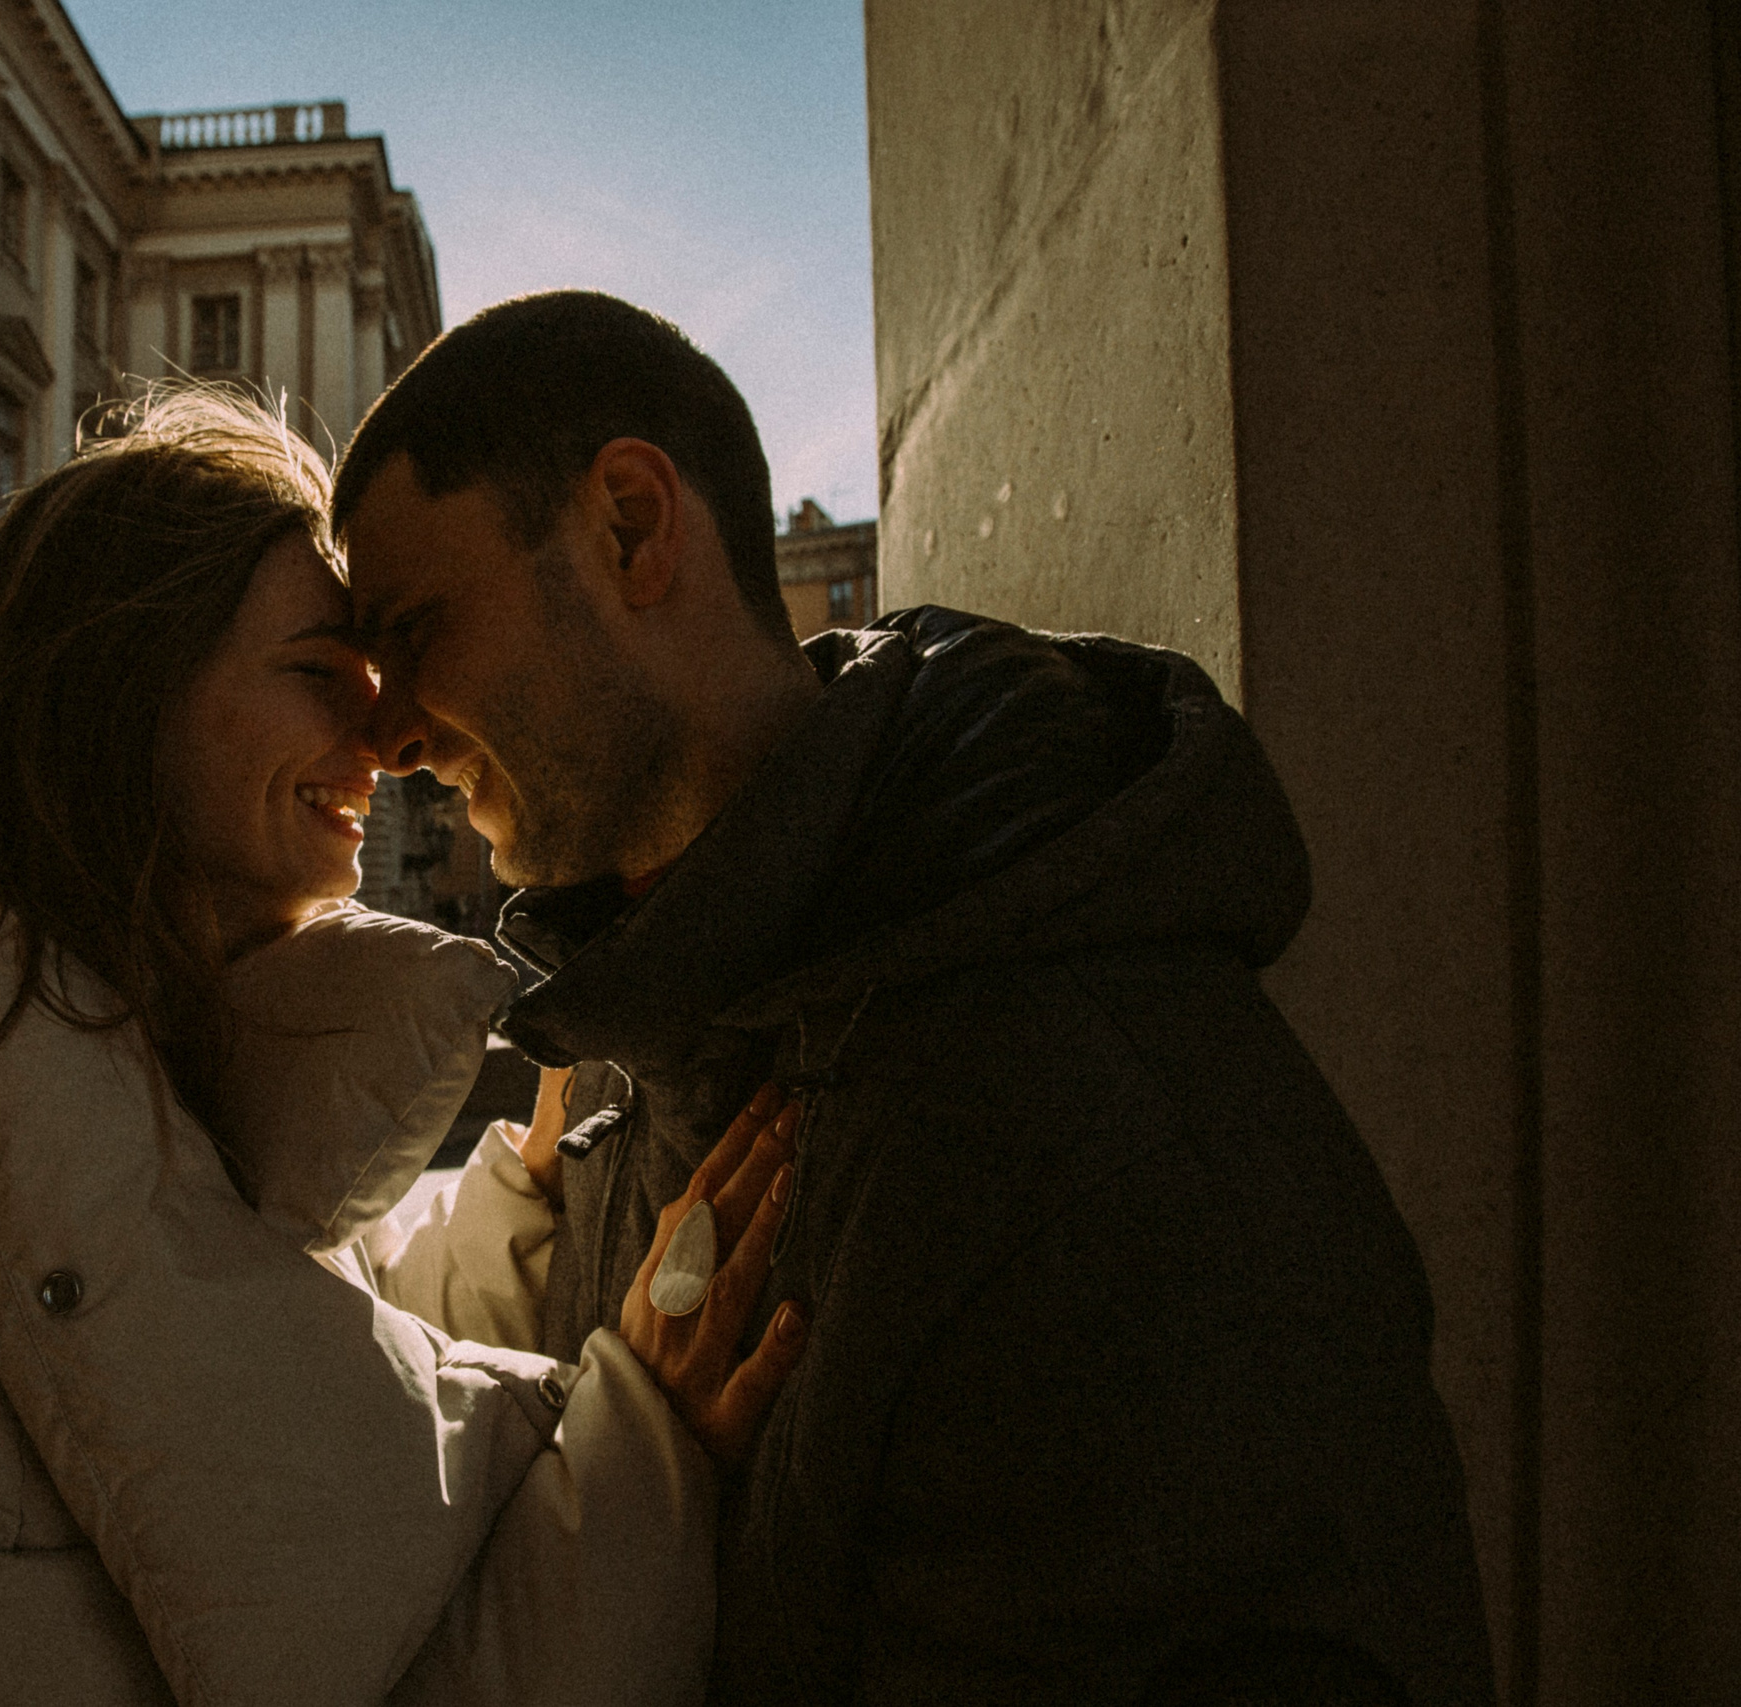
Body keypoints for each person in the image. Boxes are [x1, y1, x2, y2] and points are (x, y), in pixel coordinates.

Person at [332, 290, 1499, 1706]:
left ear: (631, 529)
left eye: (415, 631)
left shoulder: (1087, 1118)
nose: (384, 737)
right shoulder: (642, 1040)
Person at [0, 388, 805, 1707]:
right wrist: (640, 1477)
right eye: (320, 672)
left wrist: (520, 1202)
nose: (386, 737)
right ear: (124, 698)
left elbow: (289, 1407)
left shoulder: (151, 1078)